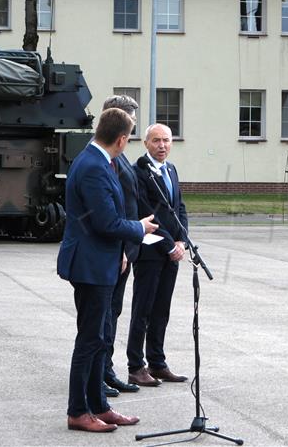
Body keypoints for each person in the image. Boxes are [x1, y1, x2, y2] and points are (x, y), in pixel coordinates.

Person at [57, 108, 157, 432]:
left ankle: (98, 405)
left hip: (101, 262)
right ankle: (77, 411)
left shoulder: (100, 160)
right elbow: (106, 222)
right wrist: (139, 228)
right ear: (122, 139)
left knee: (99, 337)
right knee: (89, 339)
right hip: (90, 265)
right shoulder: (93, 167)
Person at [127, 123, 189, 385]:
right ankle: (135, 365)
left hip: (172, 251)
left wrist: (181, 240)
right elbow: (144, 211)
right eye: (156, 141)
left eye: (166, 140)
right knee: (143, 309)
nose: (162, 145)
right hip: (151, 250)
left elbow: (179, 207)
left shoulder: (171, 169)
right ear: (146, 143)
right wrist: (168, 245)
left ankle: (157, 362)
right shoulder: (138, 171)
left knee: (162, 309)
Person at [99, 95, 142, 398]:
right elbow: (110, 211)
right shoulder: (108, 158)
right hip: (116, 252)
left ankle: (106, 370)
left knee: (113, 312)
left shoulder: (120, 156)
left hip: (125, 249)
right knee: (102, 315)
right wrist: (122, 249)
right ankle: (98, 373)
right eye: (131, 121)